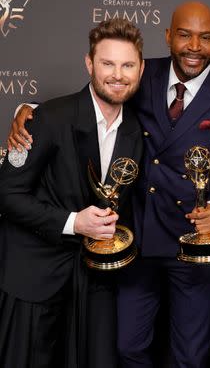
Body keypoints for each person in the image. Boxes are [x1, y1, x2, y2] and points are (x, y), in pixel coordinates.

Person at [10, 1, 210, 367]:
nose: (194, 46)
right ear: (169, 36)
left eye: (205, 37)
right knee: (126, 348)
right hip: (134, 237)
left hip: (190, 242)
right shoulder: (143, 73)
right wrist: (29, 111)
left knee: (191, 355)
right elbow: (93, 99)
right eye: (184, 35)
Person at [0, 18, 145, 368]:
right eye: (107, 63)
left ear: (141, 69)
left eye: (128, 65)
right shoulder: (46, 117)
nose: (118, 75)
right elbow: (6, 193)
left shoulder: (136, 131)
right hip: (34, 279)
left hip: (94, 284)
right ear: (89, 64)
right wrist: (72, 222)